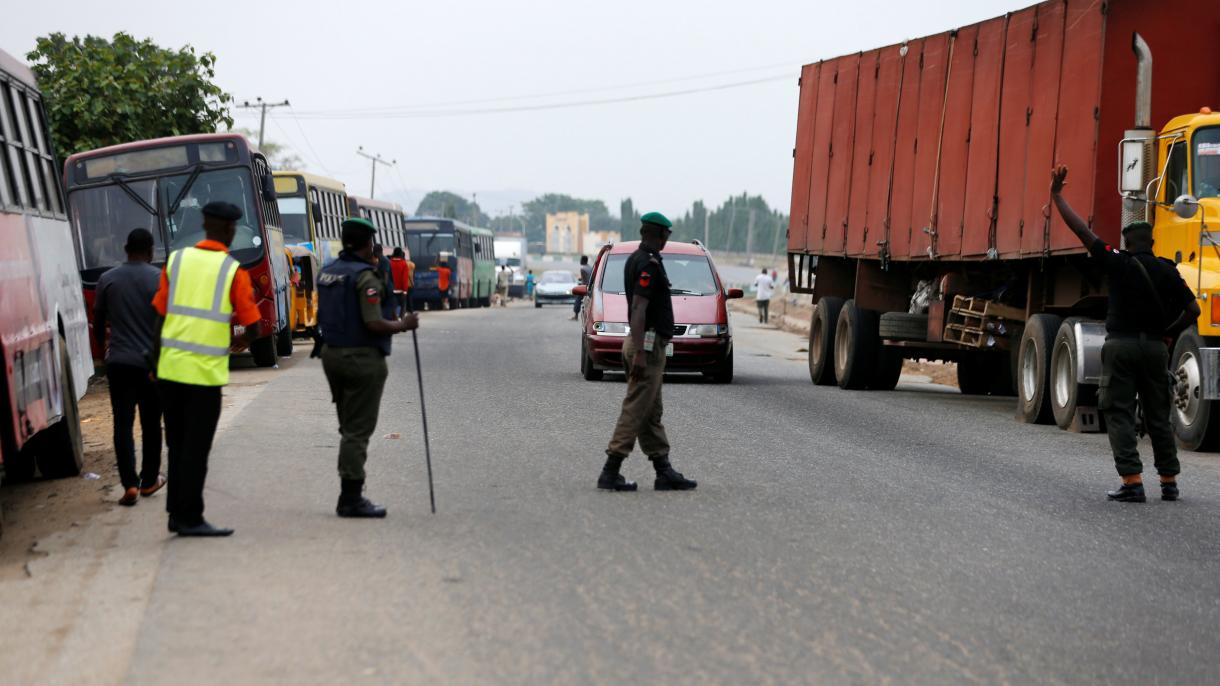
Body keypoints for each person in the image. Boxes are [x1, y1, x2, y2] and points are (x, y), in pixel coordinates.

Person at [1049, 164, 1200, 502]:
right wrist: (1167, 335)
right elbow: (1194, 311)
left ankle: (1132, 482)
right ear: (1152, 242)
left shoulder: (1118, 261)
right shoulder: (1166, 270)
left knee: (1118, 411)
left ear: (1127, 242)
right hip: (1155, 350)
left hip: (1121, 348)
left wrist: (1057, 196)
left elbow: (1082, 232)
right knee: (1159, 415)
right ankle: (1169, 482)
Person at [152, 202, 263, 536]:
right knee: (197, 449)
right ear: (230, 229)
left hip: (170, 372)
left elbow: (158, 316)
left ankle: (176, 512)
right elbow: (253, 324)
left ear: (204, 224)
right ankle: (191, 518)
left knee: (178, 445)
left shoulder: (177, 261)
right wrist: (242, 340)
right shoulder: (232, 271)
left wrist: (155, 364)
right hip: (203, 377)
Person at [317, 217, 419, 518]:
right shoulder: (366, 278)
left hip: (331, 355)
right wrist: (403, 325)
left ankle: (349, 490)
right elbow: (373, 322)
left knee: (348, 425)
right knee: (357, 430)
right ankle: (351, 497)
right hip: (361, 358)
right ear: (368, 243)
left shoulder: (327, 273)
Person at [598, 212, 697, 492]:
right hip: (647, 345)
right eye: (666, 234)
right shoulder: (648, 264)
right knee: (635, 408)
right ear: (657, 234)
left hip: (646, 343)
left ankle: (663, 471)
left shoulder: (636, 259)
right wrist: (641, 352)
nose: (667, 239)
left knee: (651, 412)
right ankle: (611, 470)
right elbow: (639, 307)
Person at [94, 228, 165, 506]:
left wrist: (102, 351)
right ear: (150, 251)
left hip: (119, 363)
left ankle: (129, 486)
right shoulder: (160, 279)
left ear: (126, 249)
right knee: (151, 424)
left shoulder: (107, 280)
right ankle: (149, 481)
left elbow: (98, 320)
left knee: (122, 423)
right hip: (150, 364)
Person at [389, 247, 411, 316]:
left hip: (391, 290)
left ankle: (394, 320)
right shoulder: (403, 264)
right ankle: (401, 320)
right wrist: (405, 291)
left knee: (393, 307)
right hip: (401, 290)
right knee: (403, 306)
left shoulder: (389, 263)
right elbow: (404, 279)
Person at [572, 255, 592, 320]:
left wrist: (580, 283)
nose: (580, 261)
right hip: (591, 287)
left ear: (583, 260)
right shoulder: (590, 267)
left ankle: (576, 316)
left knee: (578, 298)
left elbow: (585, 281)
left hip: (586, 288)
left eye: (581, 260)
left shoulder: (583, 269)